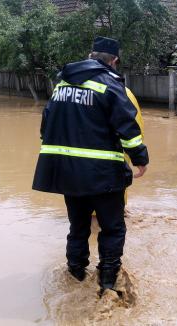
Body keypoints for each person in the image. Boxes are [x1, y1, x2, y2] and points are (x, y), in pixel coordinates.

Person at [32, 36, 149, 291]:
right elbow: (127, 127)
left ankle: (75, 273)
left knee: (78, 226)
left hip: (68, 174)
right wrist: (140, 159)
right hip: (103, 174)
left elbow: (46, 125)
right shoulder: (110, 83)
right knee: (112, 228)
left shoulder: (62, 83)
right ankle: (107, 280)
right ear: (114, 61)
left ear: (90, 54)